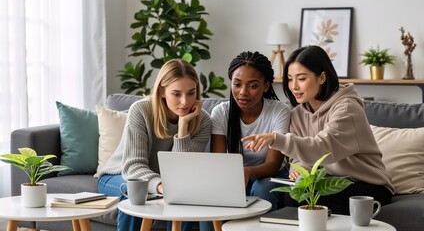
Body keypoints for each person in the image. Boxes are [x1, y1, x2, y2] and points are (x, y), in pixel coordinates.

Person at [241, 45, 394, 214]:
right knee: (271, 188)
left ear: (321, 77)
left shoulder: (347, 109)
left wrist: (277, 139)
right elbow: (299, 158)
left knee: (293, 197)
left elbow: (323, 148)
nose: (294, 86)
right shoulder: (298, 113)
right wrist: (298, 170)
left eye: (301, 78)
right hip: (326, 181)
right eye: (290, 79)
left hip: (368, 186)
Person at [97, 59, 211, 231]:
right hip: (120, 174)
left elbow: (181, 172)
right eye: (177, 94)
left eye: (191, 93)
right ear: (162, 91)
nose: (185, 102)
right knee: (135, 192)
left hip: (164, 183)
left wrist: (183, 127)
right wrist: (160, 186)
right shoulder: (141, 110)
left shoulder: (202, 121)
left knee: (187, 198)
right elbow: (133, 167)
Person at [210, 51, 291, 211]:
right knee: (213, 192)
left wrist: (246, 172)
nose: (243, 92)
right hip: (232, 175)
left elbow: (273, 164)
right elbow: (218, 163)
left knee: (262, 188)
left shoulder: (279, 111)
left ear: (266, 86)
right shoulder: (221, 112)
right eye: (237, 84)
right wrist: (237, 175)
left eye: (253, 86)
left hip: (270, 175)